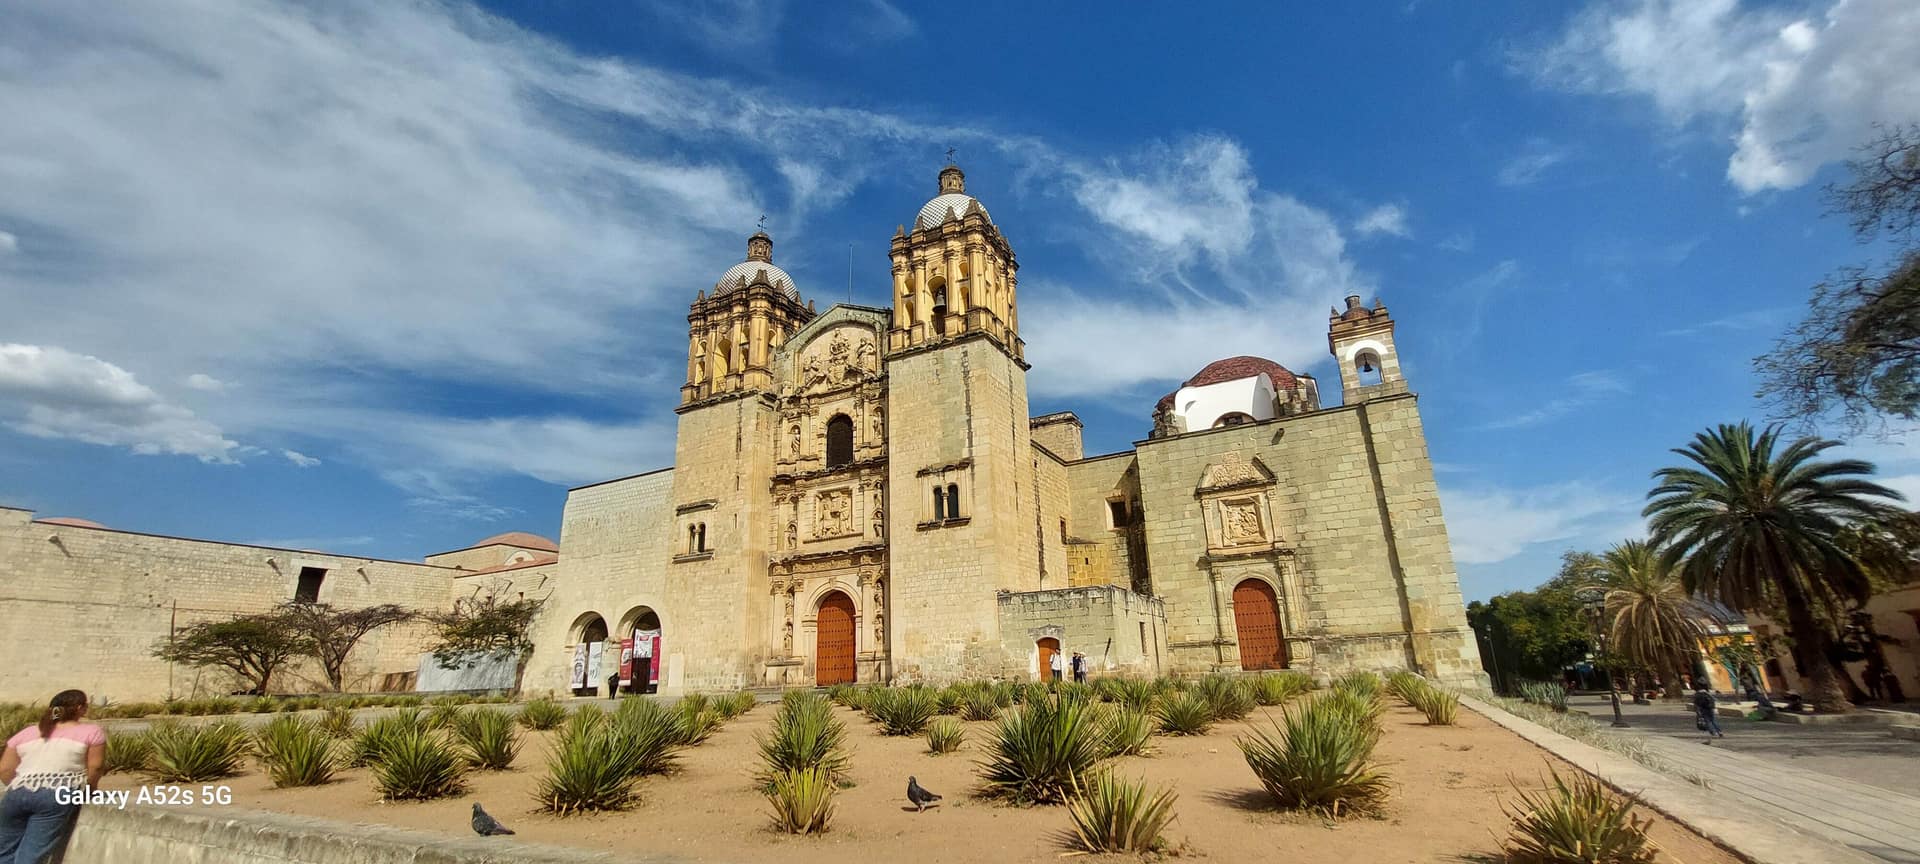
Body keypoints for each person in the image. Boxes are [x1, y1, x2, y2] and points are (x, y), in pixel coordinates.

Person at [0, 690, 107, 863]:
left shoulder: (27, 732)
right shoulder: (91, 731)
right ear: (80, 708)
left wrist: (22, 789)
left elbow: (5, 769)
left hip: (17, 793)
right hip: (57, 792)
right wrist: (88, 790)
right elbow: (96, 767)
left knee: (4, 850)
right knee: (30, 856)